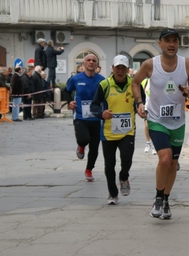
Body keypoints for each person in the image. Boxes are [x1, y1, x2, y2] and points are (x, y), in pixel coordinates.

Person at [131, 28, 189, 219]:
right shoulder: (149, 64)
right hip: (156, 120)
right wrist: (139, 103)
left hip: (178, 121)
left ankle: (166, 199)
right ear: (159, 43)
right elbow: (135, 82)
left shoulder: (187, 64)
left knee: (173, 163)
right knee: (165, 159)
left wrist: (188, 92)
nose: (171, 44)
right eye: (167, 41)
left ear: (178, 44)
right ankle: (158, 198)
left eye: (175, 41)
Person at [90, 55, 138, 205]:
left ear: (128, 69)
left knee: (127, 159)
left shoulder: (135, 84)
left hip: (127, 131)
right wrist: (101, 114)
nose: (120, 71)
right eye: (118, 67)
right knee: (109, 165)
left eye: (123, 68)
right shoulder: (104, 85)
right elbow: (94, 105)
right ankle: (112, 192)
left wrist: (141, 109)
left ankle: (124, 177)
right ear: (112, 68)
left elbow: (141, 101)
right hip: (108, 132)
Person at [64, 54, 105, 182]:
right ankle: (81, 145)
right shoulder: (75, 79)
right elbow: (66, 91)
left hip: (97, 118)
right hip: (80, 116)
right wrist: (69, 101)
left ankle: (89, 169)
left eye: (94, 61)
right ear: (83, 64)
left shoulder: (102, 80)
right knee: (83, 139)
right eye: (88, 60)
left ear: (97, 65)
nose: (91, 62)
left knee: (94, 147)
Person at [142, 78, 157, 155]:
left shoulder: (159, 80)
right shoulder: (145, 81)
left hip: (157, 108)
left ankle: (155, 145)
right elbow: (141, 93)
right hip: (147, 107)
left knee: (155, 127)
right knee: (147, 126)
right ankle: (148, 143)